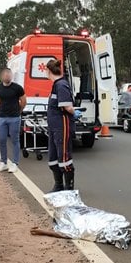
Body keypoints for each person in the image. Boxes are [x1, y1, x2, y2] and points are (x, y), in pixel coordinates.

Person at [46, 58, 80, 191]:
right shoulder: (56, 85)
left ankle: (69, 188)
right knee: (53, 158)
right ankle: (58, 185)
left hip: (62, 126)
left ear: (48, 71)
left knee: (64, 157)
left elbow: (67, 106)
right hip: (54, 127)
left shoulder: (61, 85)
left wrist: (74, 112)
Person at [0, 68, 26, 173]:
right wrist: (0, 110)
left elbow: (23, 101)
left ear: (11, 76)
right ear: (2, 76)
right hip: (2, 117)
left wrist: (19, 111)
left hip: (14, 118)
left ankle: (15, 163)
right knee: (2, 140)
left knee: (15, 140)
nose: (7, 76)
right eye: (5, 74)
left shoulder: (17, 88)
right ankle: (3, 162)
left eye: (9, 74)